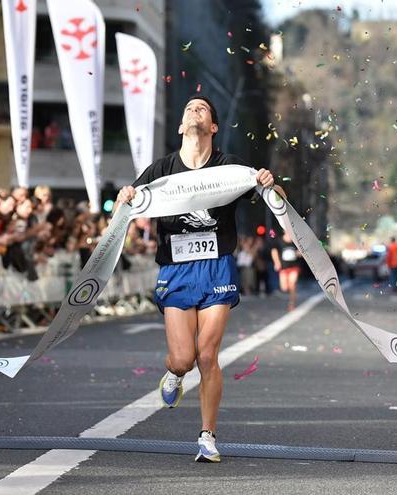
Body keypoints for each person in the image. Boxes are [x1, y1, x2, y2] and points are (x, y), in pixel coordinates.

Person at [115, 95, 275, 463]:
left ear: (213, 127)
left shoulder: (229, 166)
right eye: (188, 108)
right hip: (176, 268)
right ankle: (173, 374)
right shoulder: (162, 169)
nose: (194, 111)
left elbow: (274, 198)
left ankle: (207, 436)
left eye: (201, 108)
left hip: (217, 265)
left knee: (207, 355)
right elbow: (130, 202)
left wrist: (269, 182)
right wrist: (125, 195)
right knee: (184, 358)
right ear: (180, 126)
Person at [271, 230, 301, 310]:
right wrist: (277, 262)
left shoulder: (295, 241)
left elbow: (300, 251)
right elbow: (274, 251)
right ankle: (291, 292)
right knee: (284, 287)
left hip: (294, 266)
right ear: (284, 230)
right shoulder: (279, 241)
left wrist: (298, 253)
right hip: (284, 267)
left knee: (292, 283)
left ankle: (291, 303)